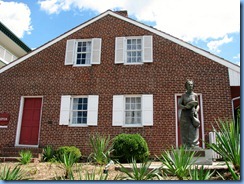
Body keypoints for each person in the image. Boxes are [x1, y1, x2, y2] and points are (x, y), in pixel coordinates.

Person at [178, 80, 200, 149]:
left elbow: (197, 105)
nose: (190, 86)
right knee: (185, 129)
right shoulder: (183, 95)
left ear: (193, 86)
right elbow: (179, 104)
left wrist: (196, 111)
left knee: (193, 129)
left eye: (191, 85)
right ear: (186, 86)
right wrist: (184, 107)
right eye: (189, 85)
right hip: (185, 114)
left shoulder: (195, 95)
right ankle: (186, 145)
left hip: (193, 114)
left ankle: (194, 144)